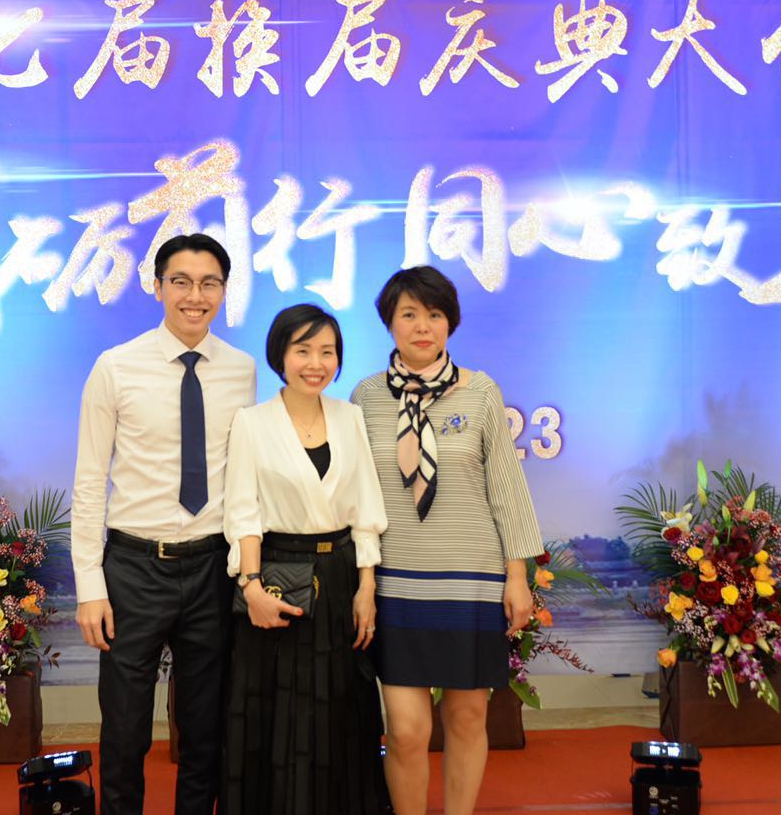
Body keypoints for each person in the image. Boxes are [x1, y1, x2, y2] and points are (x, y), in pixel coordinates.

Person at [72, 233, 258, 815]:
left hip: (212, 567)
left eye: (209, 283)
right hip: (134, 567)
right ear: (157, 288)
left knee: (206, 728)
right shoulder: (115, 367)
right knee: (125, 729)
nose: (194, 296)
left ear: (224, 291)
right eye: (181, 282)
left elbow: (244, 476)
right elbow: (88, 481)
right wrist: (90, 587)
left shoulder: (242, 370)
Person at [351, 265, 542, 815]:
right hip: (396, 582)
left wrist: (517, 576)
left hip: (472, 581)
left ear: (450, 323)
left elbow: (506, 487)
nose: (422, 326)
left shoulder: (481, 392)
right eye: (409, 314)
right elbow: (357, 496)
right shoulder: (366, 397)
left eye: (434, 315)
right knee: (406, 730)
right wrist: (364, 581)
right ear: (389, 322)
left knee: (466, 717)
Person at [222, 304, 388, 814]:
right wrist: (251, 587)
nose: (316, 363)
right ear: (280, 355)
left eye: (327, 352)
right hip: (278, 575)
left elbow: (365, 508)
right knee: (278, 709)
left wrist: (366, 587)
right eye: (303, 350)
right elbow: (244, 513)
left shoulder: (350, 416)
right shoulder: (252, 422)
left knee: (341, 705)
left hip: (340, 575)